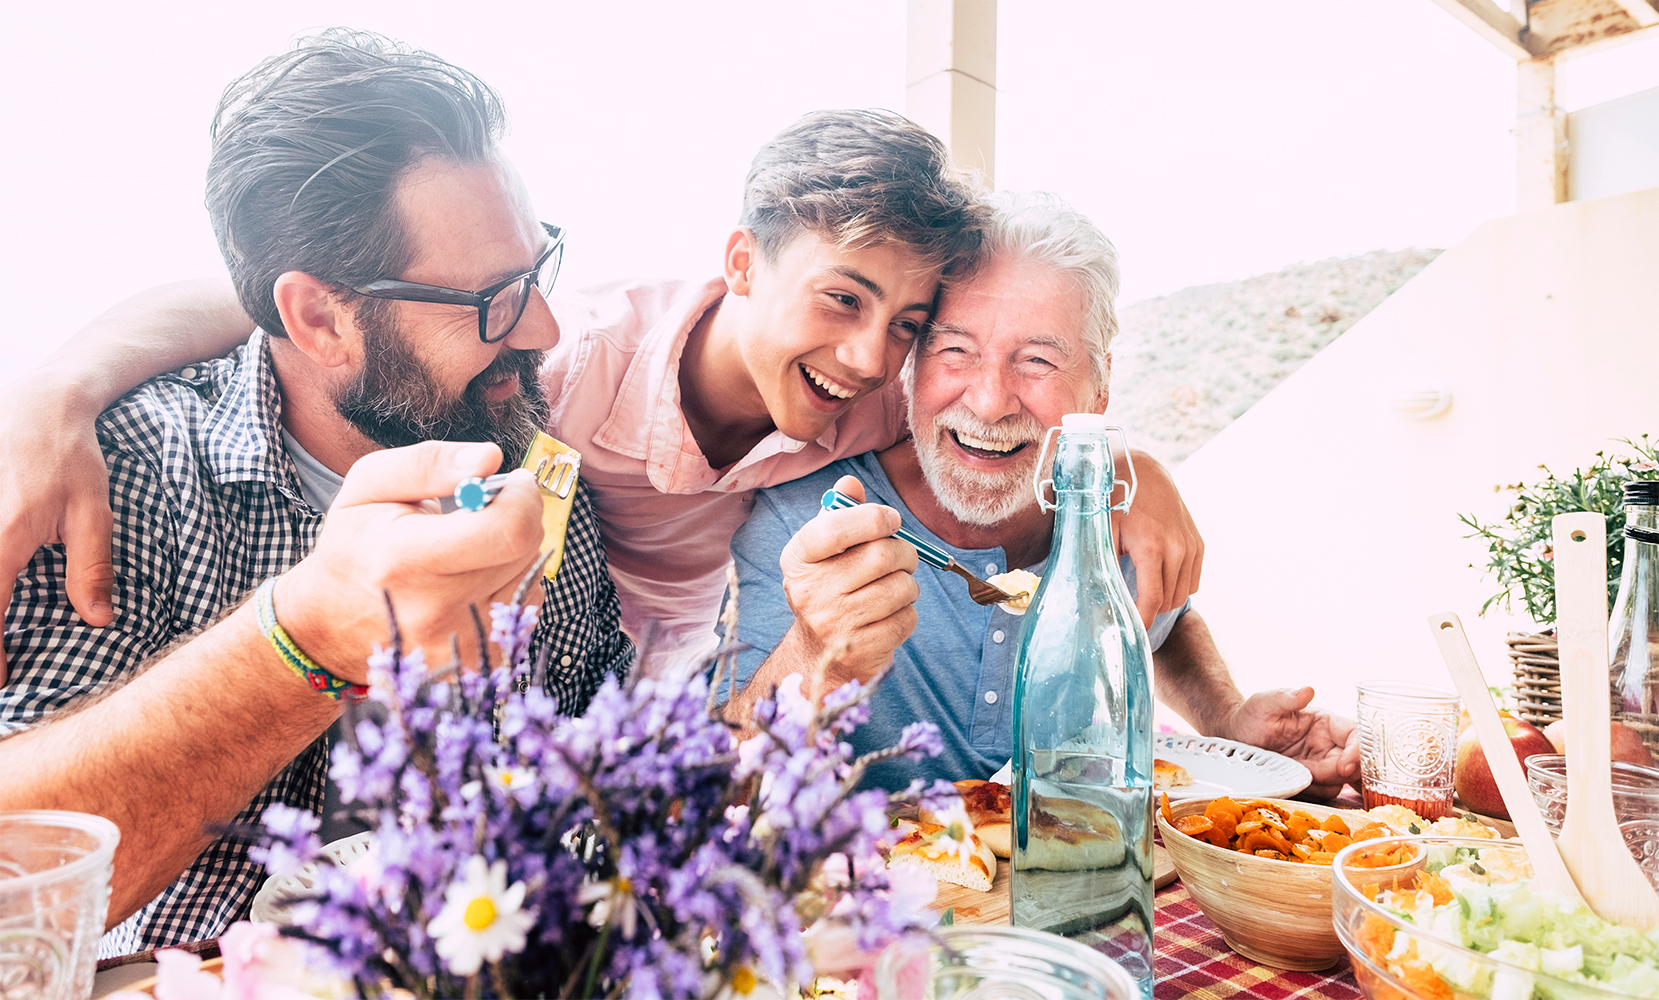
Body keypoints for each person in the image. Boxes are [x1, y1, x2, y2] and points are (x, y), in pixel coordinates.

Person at [0, 118, 1204, 679]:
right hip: (569, 642)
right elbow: (312, 309)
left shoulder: (882, 390)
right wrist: (62, 381)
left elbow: (1000, 411)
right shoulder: (563, 361)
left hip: (711, 657)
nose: (867, 355)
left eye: (903, 325)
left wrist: (1134, 471)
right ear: (741, 265)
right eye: (840, 301)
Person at [0, 31, 632, 954]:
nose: (540, 325)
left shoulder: (521, 463)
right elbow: (19, 902)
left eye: (538, 270)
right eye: (493, 296)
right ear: (319, 318)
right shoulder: (121, 473)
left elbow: (599, 782)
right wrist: (301, 641)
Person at [722, 193, 1361, 798]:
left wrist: (1225, 722)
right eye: (955, 350)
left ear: (1100, 387)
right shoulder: (803, 521)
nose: (990, 401)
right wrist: (815, 656)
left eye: (1037, 361)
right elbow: (714, 786)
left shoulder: (1113, 520)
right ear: (911, 365)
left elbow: (1160, 624)